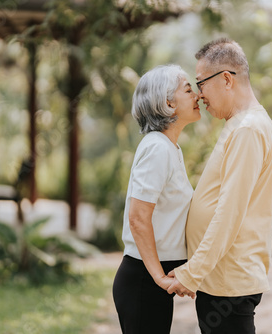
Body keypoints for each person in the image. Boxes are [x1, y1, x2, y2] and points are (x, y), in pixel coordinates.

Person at [167, 38, 272, 334]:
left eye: (201, 83)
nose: (199, 94)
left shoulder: (248, 130)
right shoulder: (240, 125)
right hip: (221, 282)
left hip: (229, 287)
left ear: (227, 79)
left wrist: (192, 273)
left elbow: (229, 214)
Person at [113, 64, 199, 334]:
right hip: (143, 280)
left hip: (151, 279)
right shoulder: (157, 148)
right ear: (168, 103)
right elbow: (138, 219)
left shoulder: (170, 147)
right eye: (188, 89)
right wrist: (160, 278)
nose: (197, 95)